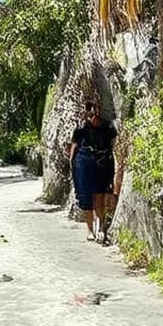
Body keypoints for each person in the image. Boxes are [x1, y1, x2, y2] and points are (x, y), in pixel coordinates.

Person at [68, 101, 118, 244]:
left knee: (100, 195)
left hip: (102, 164)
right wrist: (73, 167)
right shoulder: (81, 128)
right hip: (84, 165)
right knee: (86, 198)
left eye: (97, 114)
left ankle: (101, 227)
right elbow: (74, 147)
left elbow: (113, 145)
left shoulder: (107, 128)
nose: (95, 118)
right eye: (92, 114)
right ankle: (90, 230)